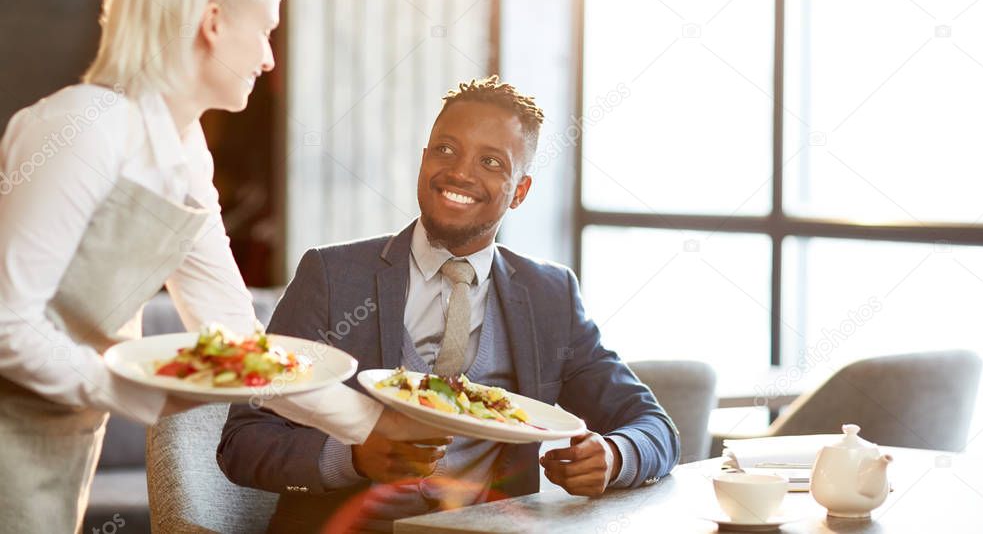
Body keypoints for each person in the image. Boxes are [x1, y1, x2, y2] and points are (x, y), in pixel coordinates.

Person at [0, 0, 432, 533]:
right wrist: (142, 392)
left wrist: (372, 424)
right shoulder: (82, 127)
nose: (267, 58)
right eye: (264, 33)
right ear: (212, 22)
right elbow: (10, 323)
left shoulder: (184, 152)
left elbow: (238, 343)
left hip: (63, 432)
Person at [218, 77, 681, 532]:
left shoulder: (549, 296)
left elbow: (653, 427)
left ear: (520, 191)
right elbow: (243, 442)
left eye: (491, 162)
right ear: (423, 160)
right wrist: (353, 457)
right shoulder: (333, 276)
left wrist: (615, 456)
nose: (460, 172)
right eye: (445, 149)